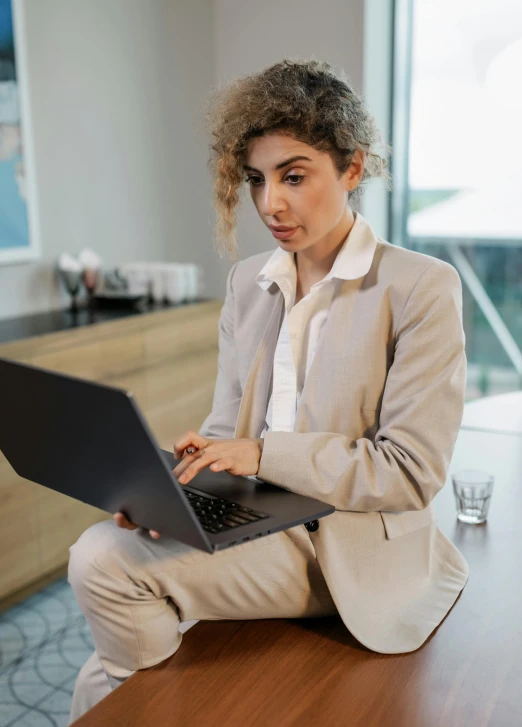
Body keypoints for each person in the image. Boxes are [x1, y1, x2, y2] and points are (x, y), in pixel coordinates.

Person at [67, 59, 469, 722]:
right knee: (107, 574)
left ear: (352, 169)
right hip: (257, 520)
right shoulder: (250, 280)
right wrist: (173, 489)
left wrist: (261, 454)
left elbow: (411, 470)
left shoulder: (420, 287)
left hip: (343, 542)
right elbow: (228, 426)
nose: (269, 203)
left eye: (294, 175)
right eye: (256, 179)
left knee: (101, 572)